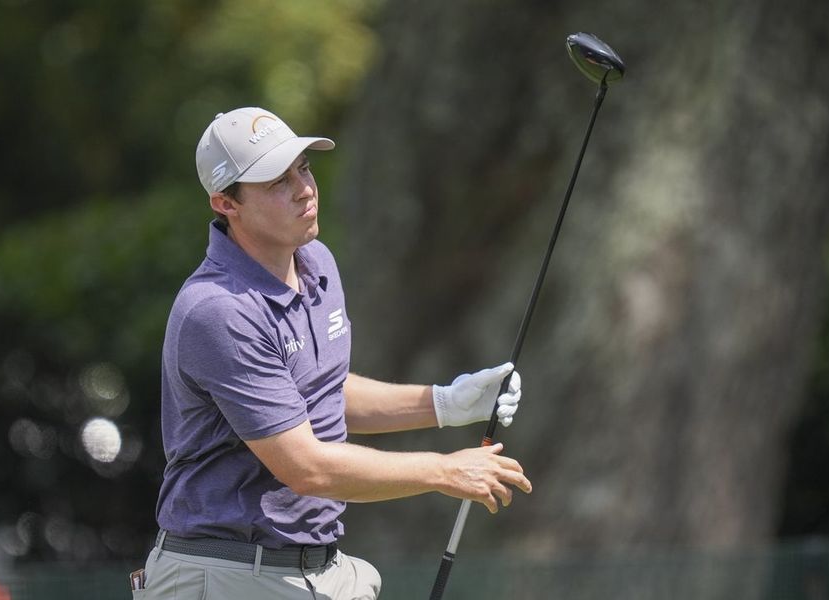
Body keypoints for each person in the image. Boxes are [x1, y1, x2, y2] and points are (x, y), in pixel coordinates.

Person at [133, 107, 532, 599]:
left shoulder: (316, 262)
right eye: (277, 181)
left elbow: (319, 391)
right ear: (225, 202)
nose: (304, 188)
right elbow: (306, 467)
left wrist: (444, 404)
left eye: (303, 168)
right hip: (226, 575)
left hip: (316, 570)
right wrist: (446, 471)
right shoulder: (219, 310)